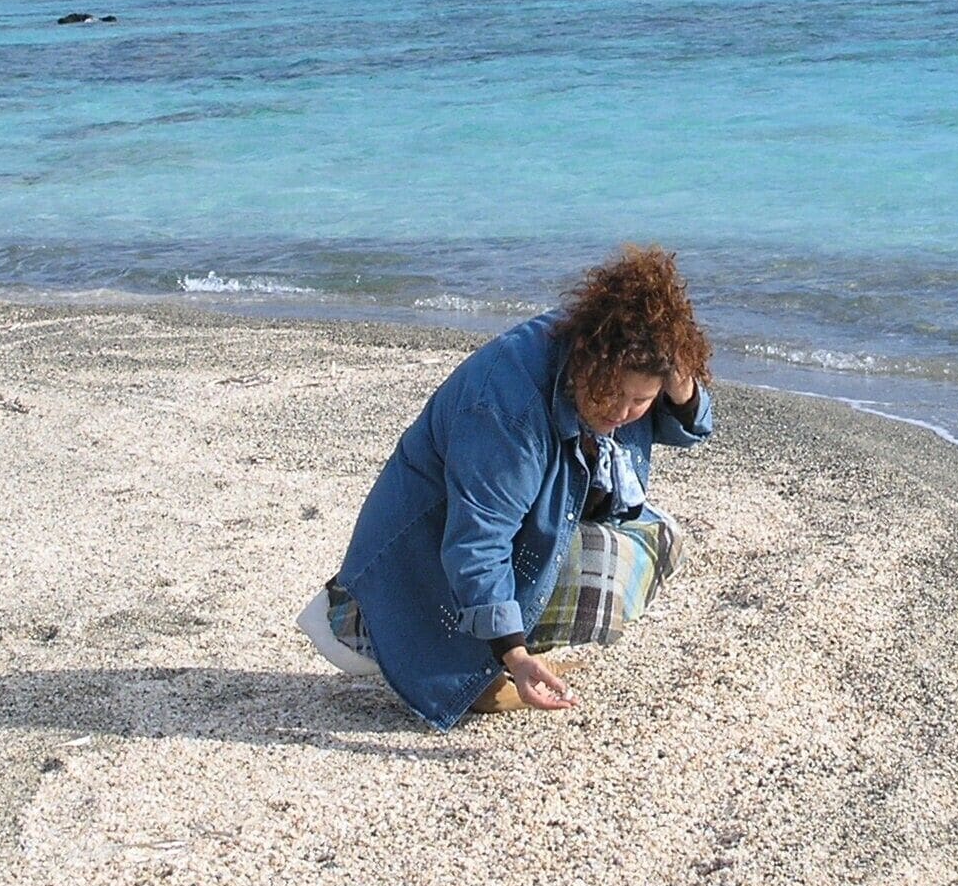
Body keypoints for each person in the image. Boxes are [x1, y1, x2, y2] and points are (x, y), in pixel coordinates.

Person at [299, 246, 713, 727]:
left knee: (652, 537)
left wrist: (680, 381)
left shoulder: (615, 357)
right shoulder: (505, 409)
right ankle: (469, 662)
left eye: (640, 400)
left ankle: (494, 647)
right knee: (596, 565)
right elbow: (477, 542)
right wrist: (513, 654)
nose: (620, 413)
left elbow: (693, 426)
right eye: (611, 392)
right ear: (587, 357)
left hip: (485, 542)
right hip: (414, 561)